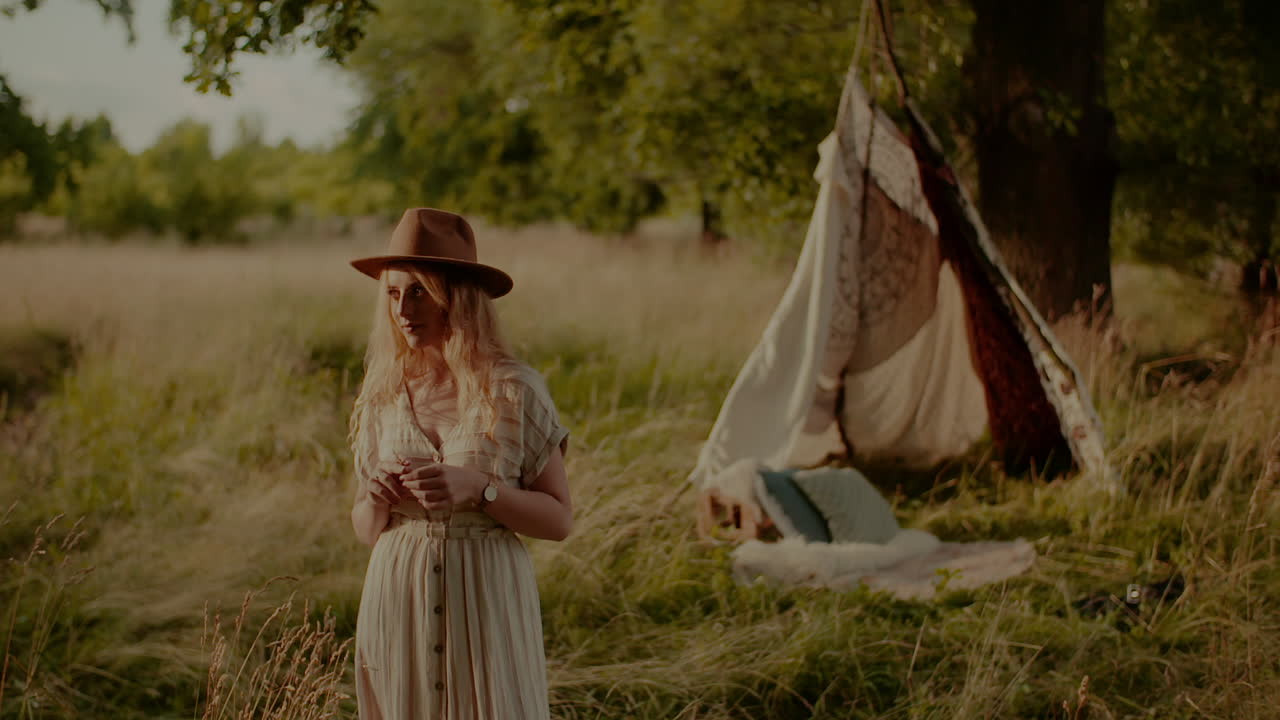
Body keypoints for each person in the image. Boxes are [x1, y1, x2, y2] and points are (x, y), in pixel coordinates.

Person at [347, 208, 572, 719]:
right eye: (393, 293)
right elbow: (365, 529)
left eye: (420, 291)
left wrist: (481, 489)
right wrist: (376, 499)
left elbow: (559, 520)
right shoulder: (382, 394)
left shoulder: (515, 392)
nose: (403, 309)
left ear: (460, 296)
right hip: (395, 595)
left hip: (487, 598)